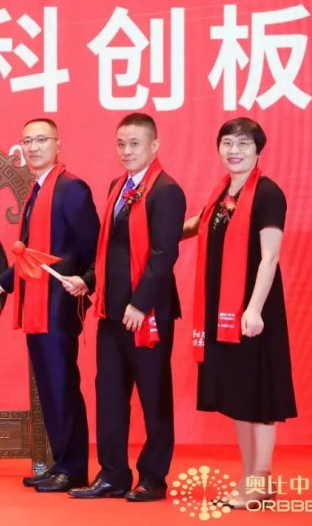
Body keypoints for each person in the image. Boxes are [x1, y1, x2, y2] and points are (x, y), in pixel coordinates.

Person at [70, 113, 185, 502]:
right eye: (121, 144)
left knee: (154, 396)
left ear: (154, 146)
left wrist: (139, 303)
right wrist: (88, 282)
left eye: (135, 143)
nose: (126, 151)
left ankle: (153, 477)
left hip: (148, 313)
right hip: (112, 312)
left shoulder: (167, 191)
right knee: (110, 395)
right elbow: (109, 249)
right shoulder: (116, 186)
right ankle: (113, 474)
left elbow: (163, 255)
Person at [183, 117, 296, 508]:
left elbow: (270, 257)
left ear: (258, 150)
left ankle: (259, 479)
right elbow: (197, 224)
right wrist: (155, 233)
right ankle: (251, 478)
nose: (234, 150)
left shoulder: (267, 194)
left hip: (252, 313)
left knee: (258, 397)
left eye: (244, 144)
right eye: (227, 142)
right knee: (239, 397)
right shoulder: (223, 192)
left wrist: (254, 309)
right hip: (223, 312)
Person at [0, 118, 100, 493]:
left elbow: (93, 246)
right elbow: (32, 254)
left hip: (59, 304)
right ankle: (60, 464)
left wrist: (87, 281)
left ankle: (74, 469)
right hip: (37, 302)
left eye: (41, 140)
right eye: (27, 141)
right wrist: (2, 282)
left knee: (62, 385)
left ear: (57, 144)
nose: (33, 147)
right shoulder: (38, 189)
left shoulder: (70, 188)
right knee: (50, 386)